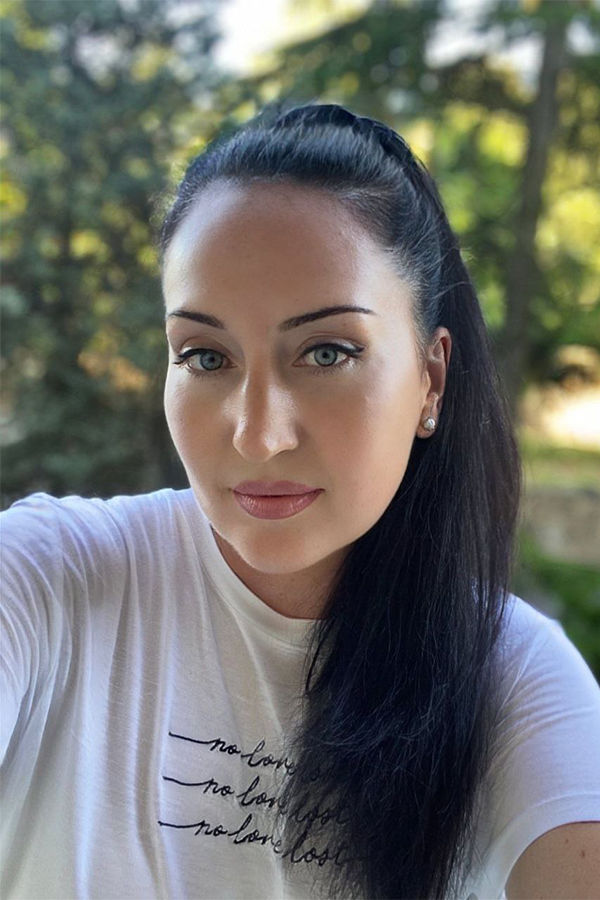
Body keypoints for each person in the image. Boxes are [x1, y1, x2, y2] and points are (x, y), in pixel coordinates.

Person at [1, 102, 599, 900]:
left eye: (326, 353)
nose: (258, 436)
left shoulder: (516, 681)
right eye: (205, 356)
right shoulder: (52, 580)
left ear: (430, 379)